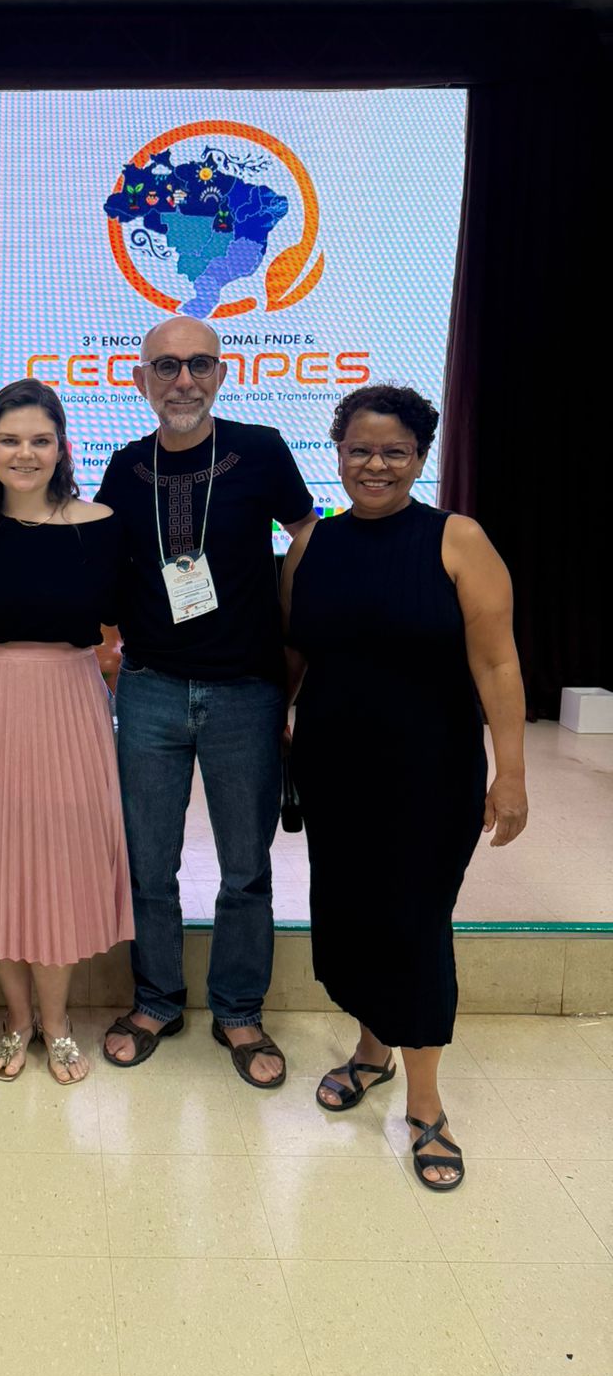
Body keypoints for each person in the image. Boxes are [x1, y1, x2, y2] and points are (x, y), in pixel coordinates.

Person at [282, 384, 528, 1190]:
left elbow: (497, 662)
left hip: (431, 771)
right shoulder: (313, 543)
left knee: (416, 923)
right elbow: (296, 653)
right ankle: (371, 1051)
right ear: (338, 454)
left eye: (394, 452)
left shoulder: (457, 539)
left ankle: (426, 1105)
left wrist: (512, 772)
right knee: (353, 914)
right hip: (334, 769)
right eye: (360, 450)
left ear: (421, 457)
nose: (375, 465)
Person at [96, 316, 317, 1083]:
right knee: (148, 865)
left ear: (222, 374)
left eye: (198, 365)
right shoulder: (126, 467)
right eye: (165, 366)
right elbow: (104, 564)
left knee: (245, 867)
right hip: (151, 691)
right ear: (141, 380)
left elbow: (305, 529)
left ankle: (239, 1010)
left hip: (245, 691)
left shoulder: (261, 450)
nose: (183, 380)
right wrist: (109, 651)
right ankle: (156, 999)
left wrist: (293, 631)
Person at [0, 381, 133, 1084]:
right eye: (10, 439)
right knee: (0, 862)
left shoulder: (101, 523)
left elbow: (125, 618)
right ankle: (18, 1020)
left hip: (69, 703)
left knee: (61, 862)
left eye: (40, 440)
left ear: (61, 447)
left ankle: (58, 1022)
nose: (26, 453)